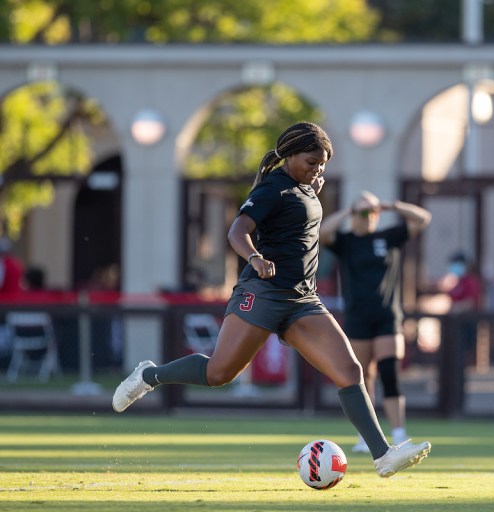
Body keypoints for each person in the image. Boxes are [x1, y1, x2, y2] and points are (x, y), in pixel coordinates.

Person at [112, 122, 431, 478]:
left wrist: (311, 185)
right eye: (311, 162)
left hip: (302, 298)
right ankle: (150, 375)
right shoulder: (272, 188)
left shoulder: (306, 186)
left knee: (349, 370)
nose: (317, 169)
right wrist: (254, 258)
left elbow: (301, 222)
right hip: (262, 292)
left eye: (323, 164)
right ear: (290, 155)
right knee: (219, 373)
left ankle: (382, 455)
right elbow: (237, 231)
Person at [319, 190, 431, 453]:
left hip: (386, 316)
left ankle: (400, 434)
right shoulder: (346, 241)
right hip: (358, 317)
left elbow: (423, 219)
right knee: (362, 376)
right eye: (363, 212)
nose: (369, 216)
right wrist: (349, 210)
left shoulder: (388, 236)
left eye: (373, 211)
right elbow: (324, 233)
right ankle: (367, 436)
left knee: (389, 374)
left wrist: (391, 205)